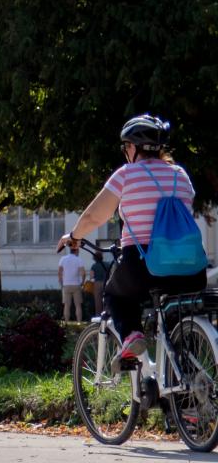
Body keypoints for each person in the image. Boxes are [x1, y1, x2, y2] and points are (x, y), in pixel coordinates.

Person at [60, 114, 202, 359]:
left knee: (115, 294)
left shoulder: (127, 174)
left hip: (144, 263)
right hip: (191, 267)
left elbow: (94, 216)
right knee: (172, 319)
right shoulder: (180, 175)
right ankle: (180, 372)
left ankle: (132, 336)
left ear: (134, 147)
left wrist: (74, 235)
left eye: (126, 146)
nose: (125, 152)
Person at [58, 239, 88, 322]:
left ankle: (66, 322)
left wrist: (61, 283)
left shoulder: (63, 259)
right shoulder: (79, 260)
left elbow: (59, 272)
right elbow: (83, 273)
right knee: (78, 305)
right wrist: (82, 282)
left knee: (66, 305)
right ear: (77, 250)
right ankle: (79, 322)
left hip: (66, 284)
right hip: (76, 284)